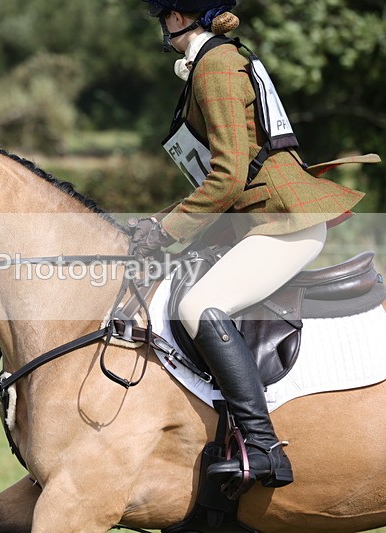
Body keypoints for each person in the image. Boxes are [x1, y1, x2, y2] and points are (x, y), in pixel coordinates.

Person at [132, 0, 365, 497]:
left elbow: (229, 174)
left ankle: (261, 447)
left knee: (200, 305)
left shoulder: (214, 65)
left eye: (164, 16)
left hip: (285, 221)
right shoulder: (219, 59)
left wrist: (165, 228)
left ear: (177, 18)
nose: (163, 24)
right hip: (258, 220)